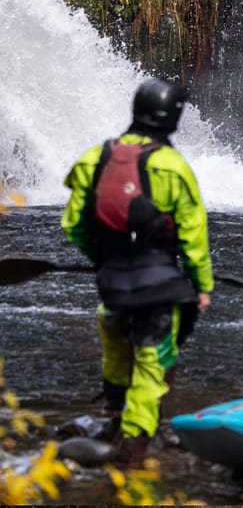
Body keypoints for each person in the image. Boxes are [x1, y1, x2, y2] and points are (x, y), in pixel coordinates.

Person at [61, 77, 213, 466]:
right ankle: (135, 448)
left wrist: (102, 259)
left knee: (115, 352)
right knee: (152, 363)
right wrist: (202, 287)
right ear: (173, 118)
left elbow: (74, 225)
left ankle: (112, 421)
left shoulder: (95, 158)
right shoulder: (173, 167)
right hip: (159, 289)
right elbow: (193, 236)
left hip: (110, 286)